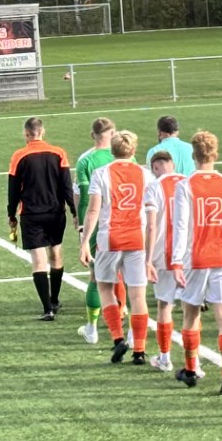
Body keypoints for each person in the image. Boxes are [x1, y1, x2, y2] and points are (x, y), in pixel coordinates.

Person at [170, 130, 222, 393]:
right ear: (215, 154)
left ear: (193, 155)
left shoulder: (185, 185)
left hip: (195, 258)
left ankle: (190, 369)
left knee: (190, 316)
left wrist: (176, 261)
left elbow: (181, 226)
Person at [77, 130, 158, 365]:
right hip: (137, 239)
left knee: (105, 288)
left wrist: (84, 242)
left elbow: (93, 211)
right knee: (138, 295)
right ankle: (140, 350)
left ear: (112, 150)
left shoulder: (101, 174)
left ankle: (117, 338)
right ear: (133, 150)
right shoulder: (146, 175)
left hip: (109, 239)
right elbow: (152, 211)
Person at [8, 116, 76, 320]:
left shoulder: (19, 156)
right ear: (42, 132)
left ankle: (48, 309)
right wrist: (74, 211)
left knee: (39, 261)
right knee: (56, 253)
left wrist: (11, 215)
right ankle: (55, 299)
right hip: (56, 213)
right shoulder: (59, 153)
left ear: (26, 134)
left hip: (31, 214)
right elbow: (66, 186)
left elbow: (13, 190)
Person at [72, 115, 117, 343]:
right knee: (124, 274)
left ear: (93, 135)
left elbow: (83, 199)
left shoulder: (85, 161)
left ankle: (92, 328)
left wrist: (81, 226)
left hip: (99, 224)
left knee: (96, 276)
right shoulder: (122, 157)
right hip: (124, 222)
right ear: (113, 133)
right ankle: (125, 327)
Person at [147, 149, 184, 373]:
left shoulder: (154, 187)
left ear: (155, 167)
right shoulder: (189, 182)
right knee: (192, 308)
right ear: (172, 163)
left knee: (164, 305)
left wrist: (148, 258)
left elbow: (151, 225)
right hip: (189, 255)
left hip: (164, 254)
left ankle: (165, 356)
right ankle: (194, 361)